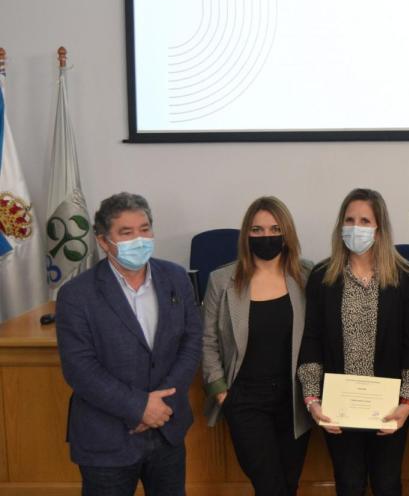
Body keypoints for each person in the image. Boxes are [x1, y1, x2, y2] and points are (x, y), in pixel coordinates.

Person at [55, 192, 201, 495]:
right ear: (103, 241)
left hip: (167, 429)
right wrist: (139, 407)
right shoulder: (76, 294)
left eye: (145, 229)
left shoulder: (175, 277)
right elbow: (80, 369)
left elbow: (191, 342)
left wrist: (160, 407)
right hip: (107, 436)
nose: (139, 238)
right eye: (126, 232)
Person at [298, 188, 409, 496]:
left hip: (390, 407)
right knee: (348, 483)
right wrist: (313, 400)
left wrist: (407, 404)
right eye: (350, 219)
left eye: (365, 220)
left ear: (379, 228)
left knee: (386, 483)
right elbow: (312, 339)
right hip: (338, 407)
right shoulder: (322, 277)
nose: (356, 227)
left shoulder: (405, 278)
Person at [201, 196, 313, 495]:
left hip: (294, 399)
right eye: (257, 230)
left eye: (275, 229)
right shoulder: (221, 280)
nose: (267, 237)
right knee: (269, 485)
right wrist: (221, 393)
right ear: (246, 234)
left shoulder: (307, 275)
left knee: (289, 483)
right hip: (245, 400)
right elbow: (208, 340)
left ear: (287, 233)